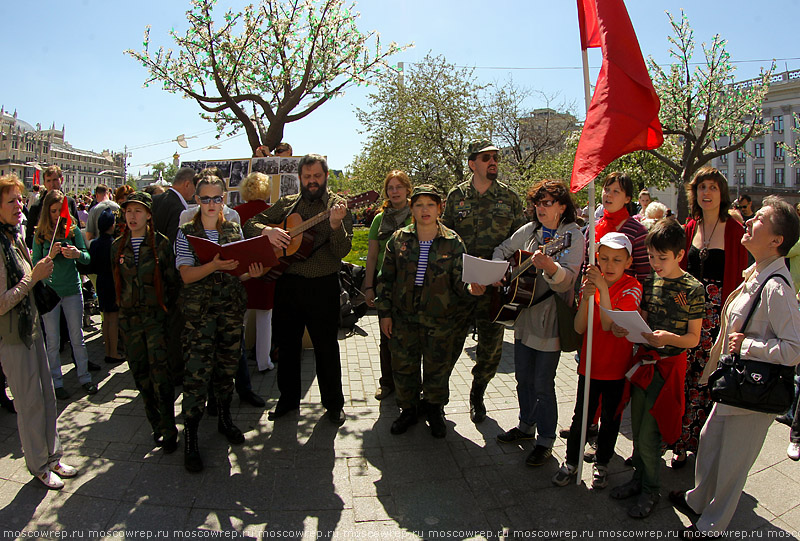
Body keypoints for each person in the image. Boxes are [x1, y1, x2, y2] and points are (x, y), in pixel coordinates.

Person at [671, 196, 800, 537]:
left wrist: (748, 345)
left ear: (776, 240)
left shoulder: (777, 288)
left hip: (753, 392)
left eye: (759, 218)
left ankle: (711, 526)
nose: (748, 220)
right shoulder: (757, 272)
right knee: (710, 443)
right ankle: (697, 501)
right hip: (734, 384)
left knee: (732, 465)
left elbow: (794, 350)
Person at [243, 154, 352, 425]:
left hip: (323, 286)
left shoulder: (337, 206)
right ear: (300, 178)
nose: (312, 181)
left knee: (326, 347)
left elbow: (342, 251)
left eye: (317, 176)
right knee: (287, 346)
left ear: (325, 176)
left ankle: (333, 404)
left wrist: (336, 225)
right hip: (288, 285)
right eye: (307, 177)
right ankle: (288, 400)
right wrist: (267, 231)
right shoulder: (288, 204)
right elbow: (249, 224)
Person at [609, 218, 704, 519]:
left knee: (651, 434)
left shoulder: (693, 288)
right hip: (643, 364)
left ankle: (652, 490)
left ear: (679, 254)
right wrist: (630, 327)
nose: (655, 263)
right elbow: (644, 319)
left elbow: (693, 338)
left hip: (668, 369)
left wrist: (668, 338)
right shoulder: (649, 282)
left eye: (662, 258)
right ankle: (639, 479)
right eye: (651, 257)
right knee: (637, 428)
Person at [492, 180, 584, 466]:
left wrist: (551, 267)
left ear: (562, 207)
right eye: (537, 203)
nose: (540, 208)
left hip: (550, 319)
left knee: (543, 383)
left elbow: (568, 279)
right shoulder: (530, 230)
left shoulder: (572, 236)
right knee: (523, 378)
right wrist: (500, 272)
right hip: (523, 313)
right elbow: (502, 249)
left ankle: (545, 440)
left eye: (547, 203)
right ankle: (525, 426)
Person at [177, 175, 265, 472]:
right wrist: (213, 265)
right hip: (199, 316)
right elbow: (186, 275)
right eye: (205, 199)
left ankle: (225, 419)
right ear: (196, 200)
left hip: (229, 311)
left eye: (217, 198)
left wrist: (249, 273)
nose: (211, 204)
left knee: (227, 367)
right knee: (196, 375)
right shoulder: (187, 232)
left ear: (224, 199)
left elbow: (237, 270)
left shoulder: (233, 228)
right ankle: (190, 436)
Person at [376, 185, 479, 438]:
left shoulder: (453, 242)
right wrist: (385, 314)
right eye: (420, 205)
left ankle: (434, 410)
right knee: (404, 367)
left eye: (431, 205)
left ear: (439, 208)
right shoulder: (398, 239)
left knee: (437, 369)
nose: (425, 210)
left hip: (440, 319)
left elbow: (460, 281)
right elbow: (386, 279)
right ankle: (408, 410)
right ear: (411, 208)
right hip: (404, 318)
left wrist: (472, 289)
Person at [0, 174, 79, 489]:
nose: (19, 206)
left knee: (47, 398)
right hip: (13, 338)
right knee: (30, 404)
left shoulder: (13, 238)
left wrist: (44, 265)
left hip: (31, 330)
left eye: (19, 199)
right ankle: (39, 465)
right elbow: (2, 302)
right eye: (10, 201)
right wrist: (33, 277)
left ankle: (53, 457)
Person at [441, 139, 525, 423]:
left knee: (490, 352)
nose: (493, 162)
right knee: (448, 345)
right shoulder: (456, 197)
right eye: (487, 157)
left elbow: (520, 244)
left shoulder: (510, 198)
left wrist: (505, 276)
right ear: (472, 163)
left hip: (494, 289)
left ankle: (478, 395)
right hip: (461, 288)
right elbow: (446, 241)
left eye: (496, 158)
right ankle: (437, 399)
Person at [551, 233, 642, 489]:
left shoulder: (632, 286)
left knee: (611, 419)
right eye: (604, 259)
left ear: (628, 261)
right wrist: (588, 297)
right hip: (589, 366)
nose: (609, 265)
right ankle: (571, 462)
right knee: (581, 418)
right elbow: (580, 327)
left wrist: (602, 288)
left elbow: (608, 322)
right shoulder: (590, 285)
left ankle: (602, 463)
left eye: (616, 259)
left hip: (616, 368)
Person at [672, 167, 748, 468]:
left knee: (707, 384)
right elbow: (681, 271)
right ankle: (679, 442)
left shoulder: (735, 230)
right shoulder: (690, 226)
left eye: (713, 187)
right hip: (689, 317)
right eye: (702, 187)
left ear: (722, 193)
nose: (707, 192)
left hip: (718, 320)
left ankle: (704, 447)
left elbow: (741, 282)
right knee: (685, 380)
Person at [112, 192, 181, 453]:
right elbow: (116, 280)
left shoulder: (161, 245)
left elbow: (172, 282)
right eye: (129, 211)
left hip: (155, 320)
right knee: (140, 375)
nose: (132, 216)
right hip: (130, 322)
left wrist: (164, 313)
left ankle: (168, 428)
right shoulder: (117, 246)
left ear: (149, 215)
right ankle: (155, 424)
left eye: (138, 211)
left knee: (161, 375)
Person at [32, 190, 97, 399]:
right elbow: (35, 265)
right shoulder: (41, 234)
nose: (58, 215)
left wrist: (76, 254)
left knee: (77, 336)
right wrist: (49, 255)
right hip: (50, 293)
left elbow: (86, 258)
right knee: (52, 340)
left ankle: (84, 377)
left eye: (61, 210)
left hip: (71, 290)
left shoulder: (73, 229)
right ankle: (56, 382)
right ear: (46, 212)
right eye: (53, 211)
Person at [365, 170, 413, 401]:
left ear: (407, 190)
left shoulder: (416, 214)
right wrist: (368, 286)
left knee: (414, 336)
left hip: (414, 285)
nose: (394, 191)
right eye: (390, 187)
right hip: (386, 285)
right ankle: (387, 382)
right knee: (387, 335)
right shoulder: (379, 219)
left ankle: (413, 384)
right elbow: (372, 256)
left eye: (399, 187)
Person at [152, 166, 196, 386]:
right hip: (171, 276)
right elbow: (173, 244)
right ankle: (176, 372)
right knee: (175, 326)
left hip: (154, 274)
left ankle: (163, 368)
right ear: (187, 184)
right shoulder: (178, 206)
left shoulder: (157, 199)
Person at [231, 172, 271, 405]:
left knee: (242, 318)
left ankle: (241, 358)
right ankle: (264, 361)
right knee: (265, 317)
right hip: (266, 270)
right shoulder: (271, 211)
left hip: (242, 271)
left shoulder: (236, 213)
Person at [594, 172, 650, 283]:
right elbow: (587, 268)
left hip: (625, 296)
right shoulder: (593, 229)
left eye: (616, 191)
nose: (608, 195)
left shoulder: (638, 231)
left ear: (627, 199)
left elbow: (644, 275)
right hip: (595, 297)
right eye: (607, 189)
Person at [88, 208, 125, 364]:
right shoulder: (114, 244)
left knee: (106, 319)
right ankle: (113, 352)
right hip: (113, 282)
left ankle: (108, 350)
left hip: (101, 282)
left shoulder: (95, 244)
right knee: (113, 319)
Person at [25, 166, 78, 249]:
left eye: (55, 180)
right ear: (44, 183)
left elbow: (77, 230)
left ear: (62, 180)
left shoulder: (70, 202)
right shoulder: (36, 207)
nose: (52, 184)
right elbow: (29, 238)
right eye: (48, 181)